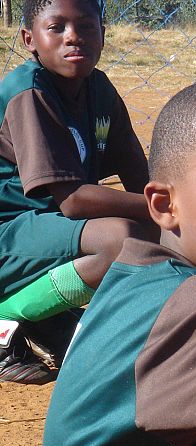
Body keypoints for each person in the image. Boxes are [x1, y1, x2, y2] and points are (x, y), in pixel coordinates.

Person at [0, 0, 152, 382]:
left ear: (102, 33)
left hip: (45, 231)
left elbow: (139, 173)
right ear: (29, 39)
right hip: (9, 232)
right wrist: (168, 206)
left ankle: (49, 319)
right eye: (57, 28)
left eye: (87, 26)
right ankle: (10, 317)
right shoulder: (29, 93)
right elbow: (74, 200)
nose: (74, 37)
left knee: (163, 234)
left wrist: (174, 212)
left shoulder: (98, 88)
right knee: (121, 237)